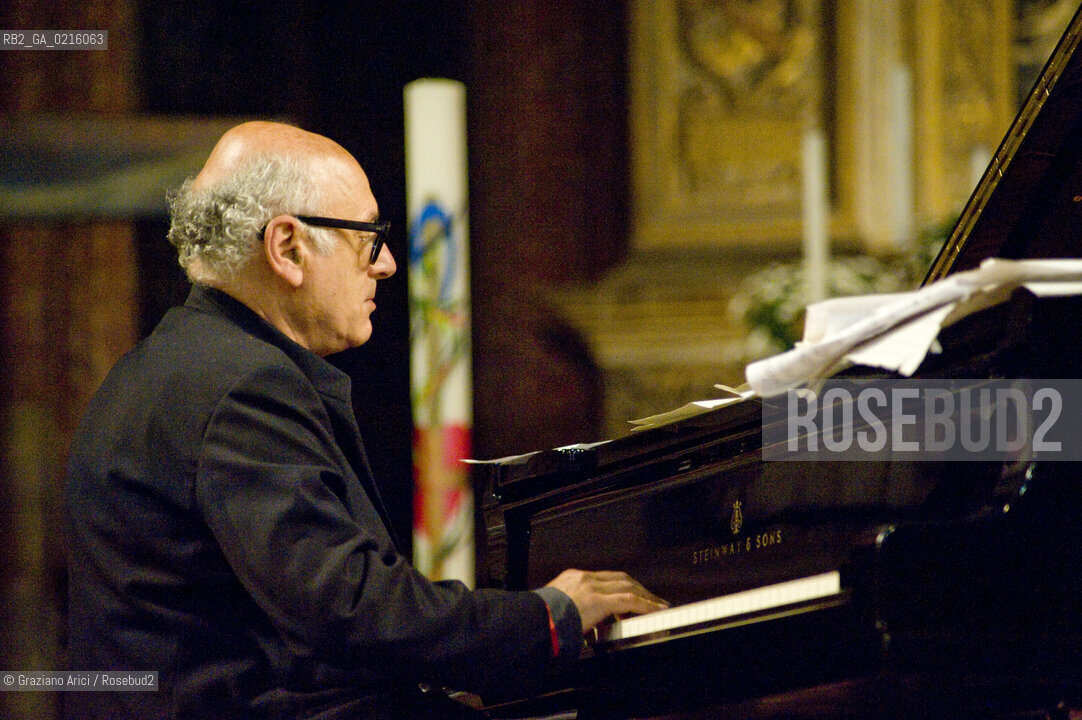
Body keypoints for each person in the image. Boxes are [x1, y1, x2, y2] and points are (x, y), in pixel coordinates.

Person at [63, 121, 666, 720]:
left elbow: (277, 624)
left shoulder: (166, 367)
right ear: (288, 248)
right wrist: (548, 617)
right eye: (369, 237)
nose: (387, 265)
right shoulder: (244, 387)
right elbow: (348, 606)